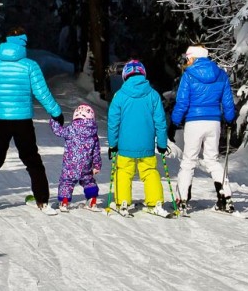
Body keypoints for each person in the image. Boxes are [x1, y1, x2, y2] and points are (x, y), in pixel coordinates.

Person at [0, 27, 64, 215]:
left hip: (0, 121)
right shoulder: (30, 65)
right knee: (32, 159)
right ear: (23, 42)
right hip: (23, 121)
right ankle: (42, 201)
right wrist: (56, 112)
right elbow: (42, 92)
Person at [169, 44, 238, 214]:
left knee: (188, 161)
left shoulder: (189, 75)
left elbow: (183, 102)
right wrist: (230, 119)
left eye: (188, 58)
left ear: (194, 58)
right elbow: (228, 101)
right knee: (212, 160)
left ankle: (182, 200)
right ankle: (225, 197)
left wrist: (174, 122)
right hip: (213, 121)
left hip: (194, 122)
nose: (187, 61)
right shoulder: (221, 75)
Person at [107, 59, 170, 217]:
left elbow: (113, 122)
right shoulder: (153, 95)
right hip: (146, 145)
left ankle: (123, 202)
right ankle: (155, 202)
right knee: (150, 171)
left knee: (123, 172)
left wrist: (113, 144)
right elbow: (160, 122)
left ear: (125, 75)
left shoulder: (119, 96)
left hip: (124, 146)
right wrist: (162, 144)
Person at [52, 103, 103, 211]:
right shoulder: (93, 134)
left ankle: (64, 202)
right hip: (86, 166)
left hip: (70, 165)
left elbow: (58, 131)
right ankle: (92, 200)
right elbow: (96, 152)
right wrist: (97, 165)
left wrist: (54, 120)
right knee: (89, 181)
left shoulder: (71, 129)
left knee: (67, 182)